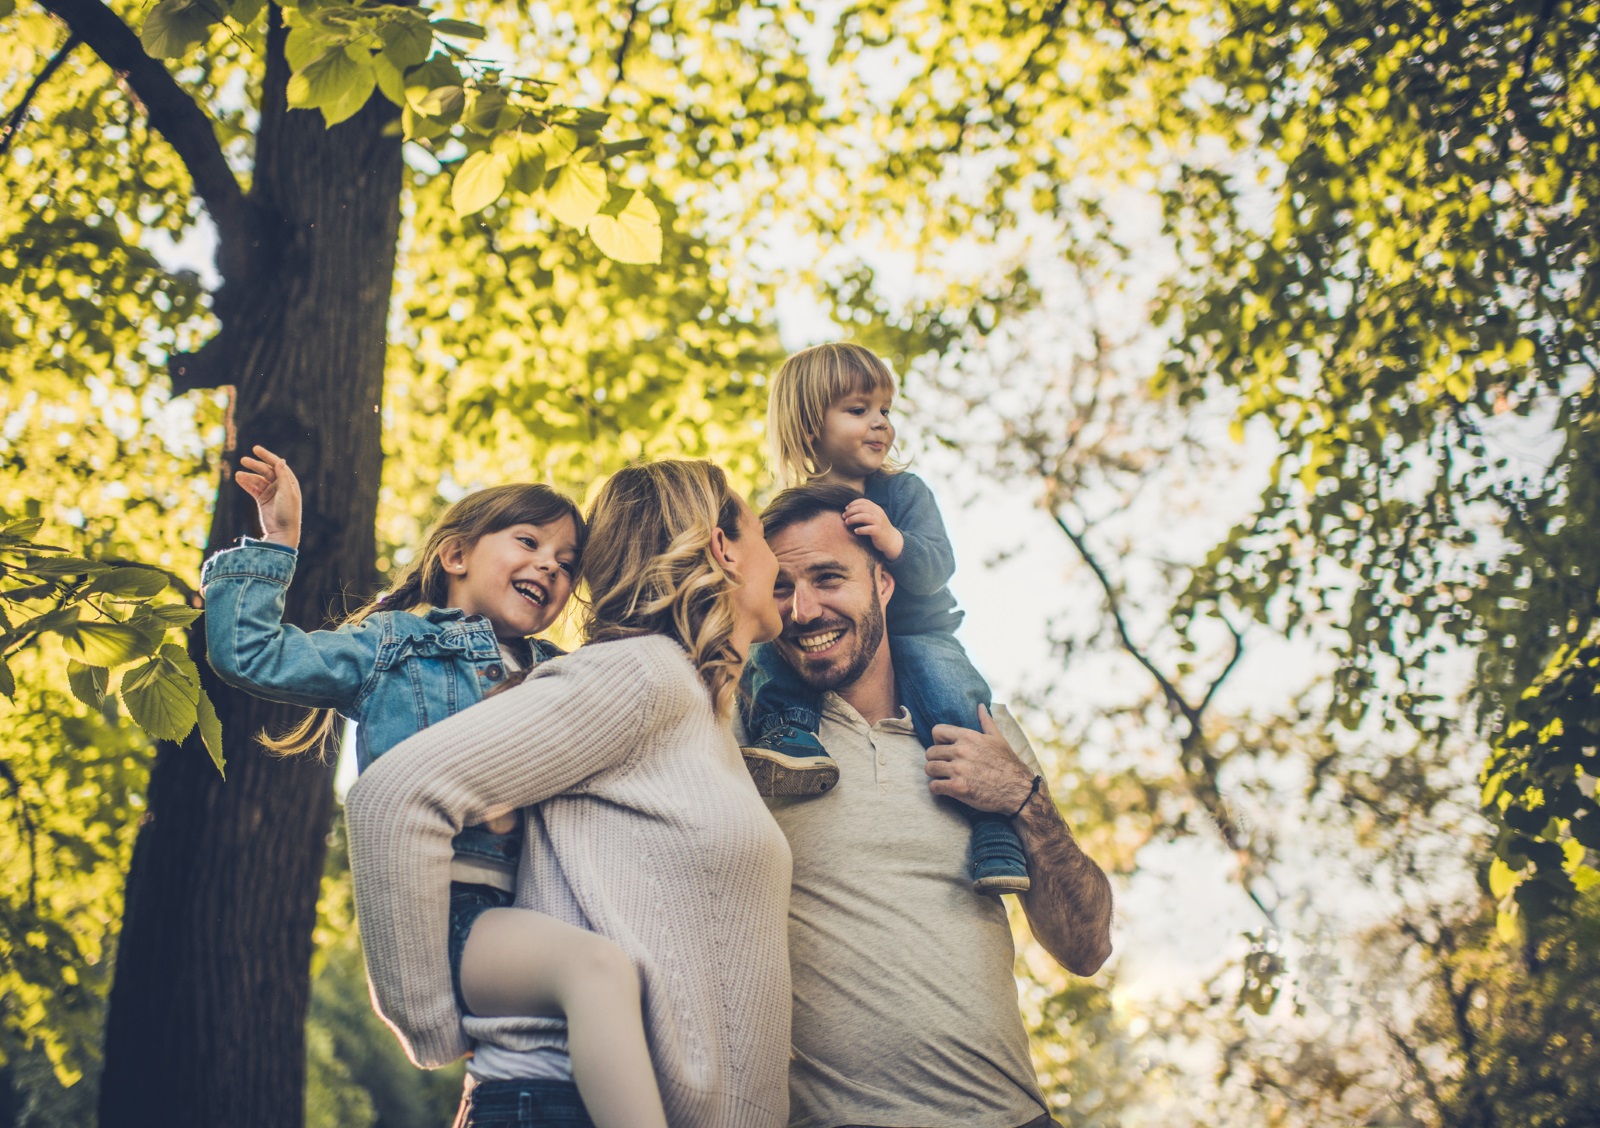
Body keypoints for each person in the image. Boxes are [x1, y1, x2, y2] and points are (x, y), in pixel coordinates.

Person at [202, 447, 669, 1128]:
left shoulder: (560, 671)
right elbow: (251, 654)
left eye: (568, 565)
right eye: (529, 541)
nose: (550, 566)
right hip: (454, 919)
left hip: (536, 904)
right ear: (456, 556)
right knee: (596, 971)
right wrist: (279, 541)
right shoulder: (395, 646)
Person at [344, 459, 795, 1128]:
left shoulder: (696, 705)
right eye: (763, 533)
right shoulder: (641, 675)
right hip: (557, 1105)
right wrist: (431, 1020)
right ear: (722, 546)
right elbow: (391, 796)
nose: (779, 563)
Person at [754, 481, 1115, 1128]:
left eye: (828, 578)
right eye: (782, 587)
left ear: (885, 585)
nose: (803, 610)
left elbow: (1085, 946)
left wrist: (1024, 798)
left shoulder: (983, 731)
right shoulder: (757, 742)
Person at [741, 341, 1030, 895]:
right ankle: (789, 735)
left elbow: (938, 566)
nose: (880, 424)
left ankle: (993, 829)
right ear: (808, 428)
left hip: (917, 632)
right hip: (833, 642)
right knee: (767, 650)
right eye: (858, 411)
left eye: (885, 411)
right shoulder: (791, 513)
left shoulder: (902, 493)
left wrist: (893, 541)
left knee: (952, 693)